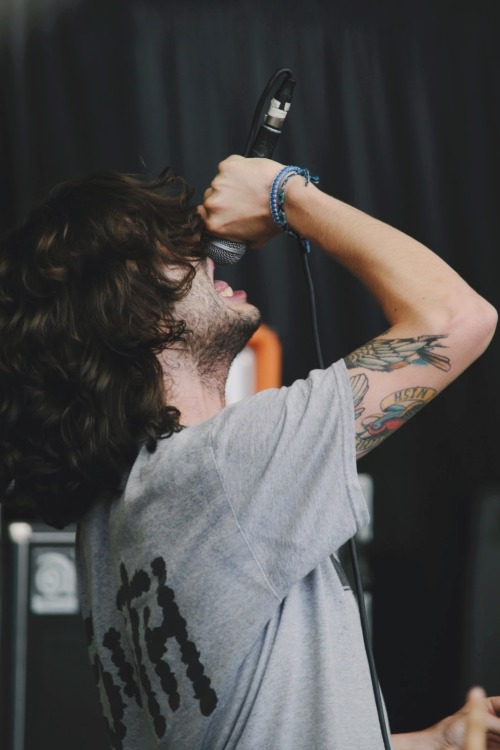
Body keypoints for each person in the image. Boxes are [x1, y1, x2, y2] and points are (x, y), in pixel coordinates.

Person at [0, 155, 498, 749]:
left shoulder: (112, 517)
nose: (207, 257)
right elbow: (458, 318)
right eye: (174, 252)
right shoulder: (219, 467)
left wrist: (431, 743)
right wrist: (286, 195)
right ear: (129, 307)